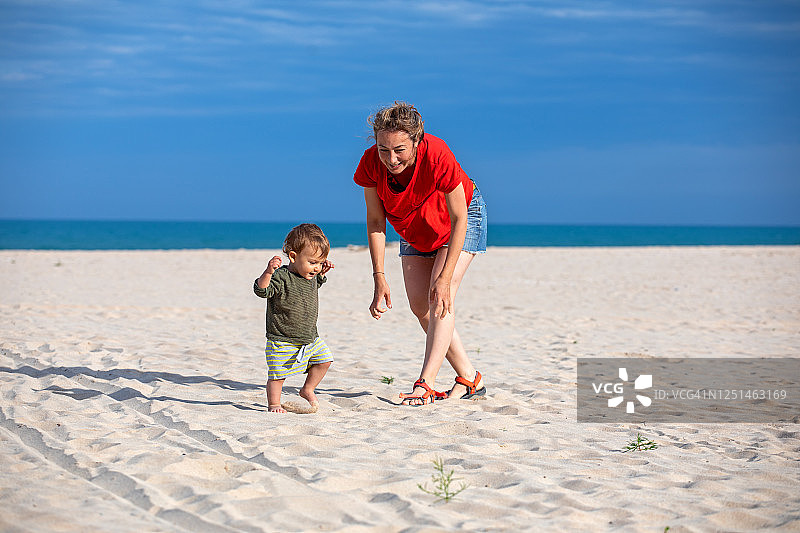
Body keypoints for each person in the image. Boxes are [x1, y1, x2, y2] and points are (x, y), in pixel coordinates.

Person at [353, 101, 488, 406]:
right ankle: (470, 378)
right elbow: (376, 222)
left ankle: (425, 382)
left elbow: (460, 218)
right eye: (383, 149)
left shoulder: (437, 154)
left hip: (460, 219)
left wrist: (444, 276)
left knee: (440, 294)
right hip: (414, 226)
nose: (391, 158)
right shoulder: (371, 164)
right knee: (420, 307)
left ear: (416, 140)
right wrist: (379, 276)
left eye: (399, 149)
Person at [253, 223, 334, 413]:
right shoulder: (281, 276)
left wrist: (321, 272)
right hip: (282, 338)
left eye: (320, 262)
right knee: (278, 374)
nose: (316, 268)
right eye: (313, 262)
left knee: (325, 360)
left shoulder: (311, 276)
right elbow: (262, 291)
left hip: (309, 337)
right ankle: (274, 403)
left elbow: (315, 285)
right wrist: (268, 272)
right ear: (293, 257)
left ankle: (307, 389)